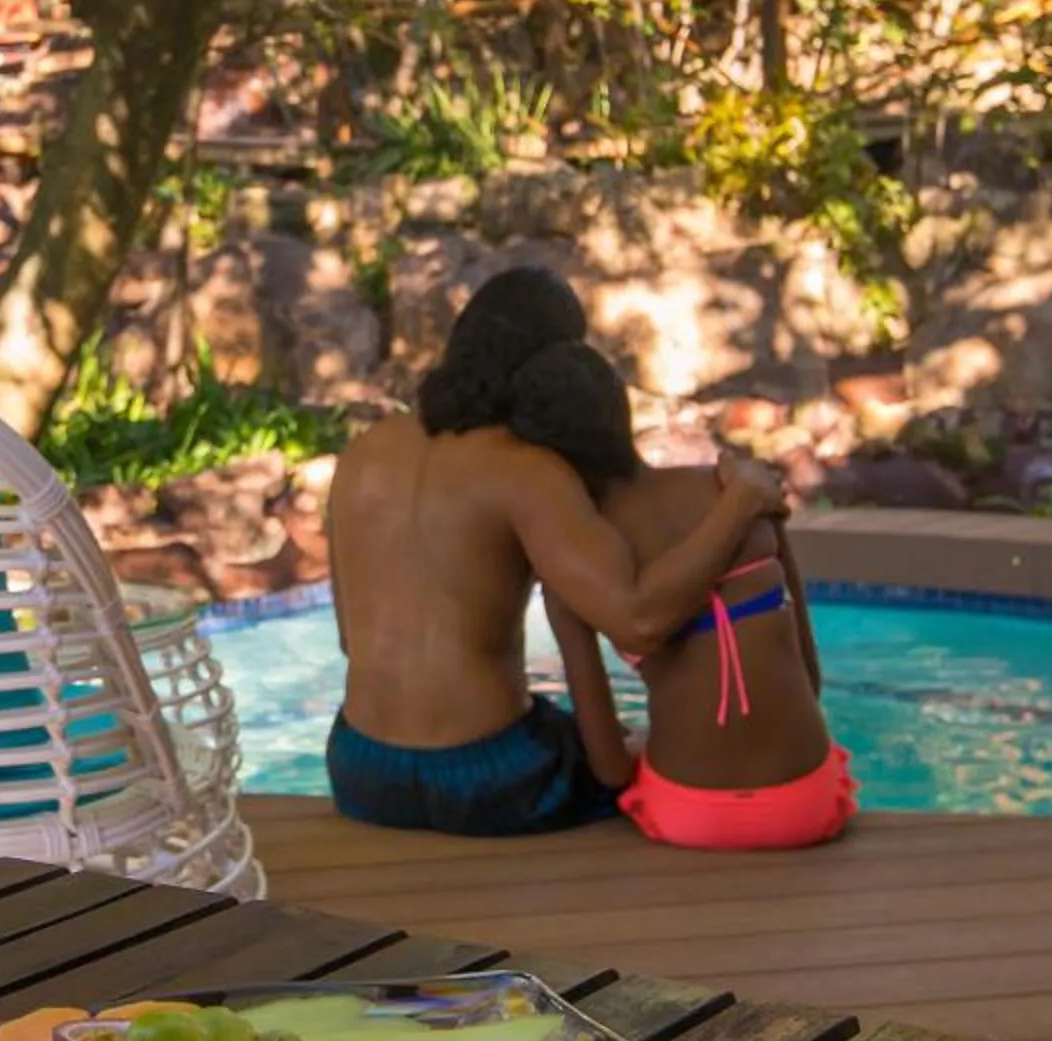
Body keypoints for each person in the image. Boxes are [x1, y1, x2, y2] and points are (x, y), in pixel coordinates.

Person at [323, 267, 788, 836]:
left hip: (360, 769)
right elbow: (640, 621)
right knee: (639, 755)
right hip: (491, 779)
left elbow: (350, 641)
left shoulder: (362, 454)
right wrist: (740, 503)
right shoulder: (527, 471)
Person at [513, 341, 857, 851]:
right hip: (804, 804)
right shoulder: (735, 490)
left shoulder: (579, 566)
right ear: (621, 412)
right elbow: (809, 680)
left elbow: (610, 769)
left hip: (688, 813)